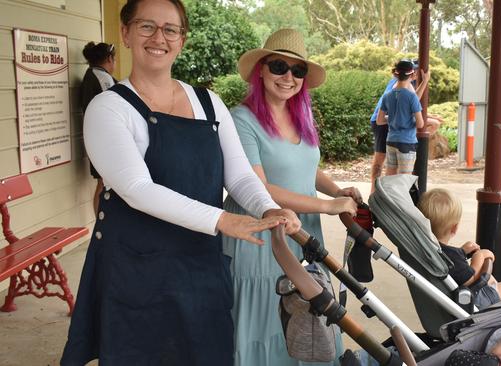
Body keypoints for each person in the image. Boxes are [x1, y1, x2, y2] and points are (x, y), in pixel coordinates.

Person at [61, 1, 299, 365]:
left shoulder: (209, 103)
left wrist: (269, 207)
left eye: (170, 29)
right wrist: (222, 220)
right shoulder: (108, 108)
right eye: (146, 27)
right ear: (125, 33)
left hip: (200, 265)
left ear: (182, 39)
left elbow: (237, 175)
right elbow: (137, 189)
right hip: (135, 269)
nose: (159, 37)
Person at [223, 28, 362, 366]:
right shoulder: (242, 119)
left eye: (297, 70)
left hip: (303, 233)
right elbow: (259, 186)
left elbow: (306, 167)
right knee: (267, 322)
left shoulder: (302, 116)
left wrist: (336, 190)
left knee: (309, 318)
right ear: (261, 70)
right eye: (279, 67)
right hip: (262, 236)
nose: (288, 77)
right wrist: (327, 206)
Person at [418, 188, 501, 309]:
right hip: (469, 302)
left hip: (452, 297)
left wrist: (462, 251)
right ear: (454, 228)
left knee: (494, 282)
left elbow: (454, 266)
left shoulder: (433, 251)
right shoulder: (450, 257)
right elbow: (470, 279)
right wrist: (479, 257)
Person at [369, 61, 432, 192]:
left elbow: (384, 117)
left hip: (391, 139)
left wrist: (395, 119)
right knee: (404, 181)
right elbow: (419, 121)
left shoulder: (389, 94)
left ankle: (381, 200)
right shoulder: (408, 94)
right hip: (406, 142)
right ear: (412, 73)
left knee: (390, 176)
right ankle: (374, 194)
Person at [80, 41, 117, 214]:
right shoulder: (102, 78)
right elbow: (113, 106)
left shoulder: (92, 74)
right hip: (103, 139)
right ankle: (101, 225)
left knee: (104, 182)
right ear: (109, 59)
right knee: (104, 182)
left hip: (97, 138)